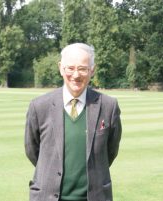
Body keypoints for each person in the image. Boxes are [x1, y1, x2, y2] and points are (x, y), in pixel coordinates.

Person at [25, 43, 122, 201]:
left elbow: (110, 152)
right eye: (70, 68)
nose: (76, 75)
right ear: (61, 68)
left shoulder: (108, 106)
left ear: (92, 70)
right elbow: (32, 150)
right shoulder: (39, 106)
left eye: (82, 68)